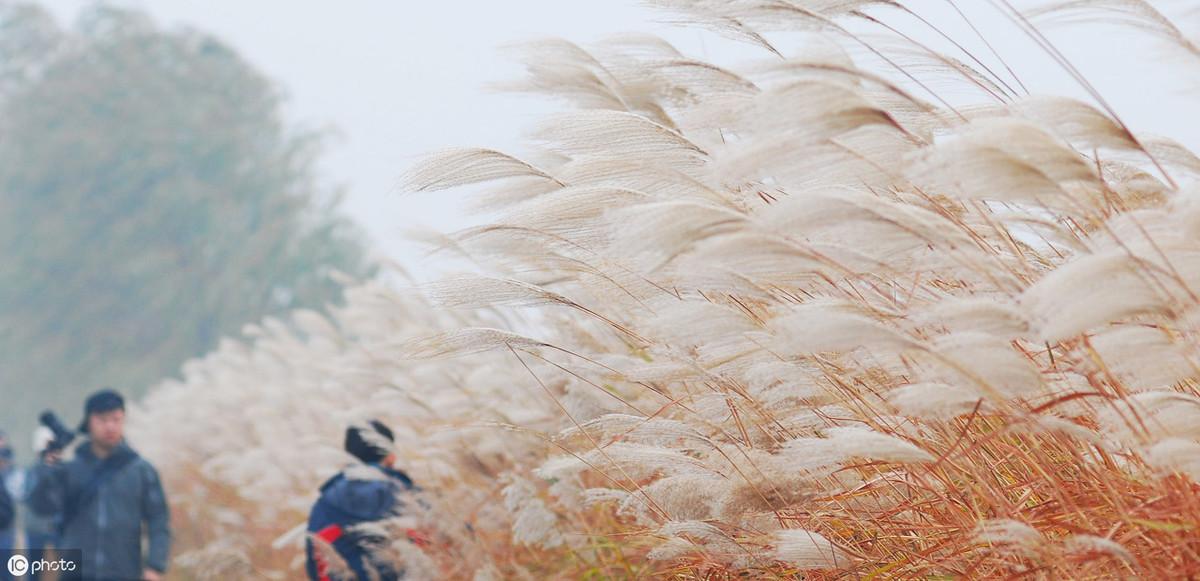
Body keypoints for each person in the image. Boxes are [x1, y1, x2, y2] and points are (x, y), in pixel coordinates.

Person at [29, 389, 171, 581]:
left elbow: (158, 520)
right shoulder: (70, 468)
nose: (110, 426)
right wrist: (47, 467)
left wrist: (155, 565)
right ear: (89, 422)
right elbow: (42, 506)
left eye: (116, 419)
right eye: (102, 420)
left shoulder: (140, 471)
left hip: (123, 572)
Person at [305, 420, 421, 581]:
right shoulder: (406, 494)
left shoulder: (324, 505)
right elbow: (450, 542)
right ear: (390, 455)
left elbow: (317, 566)